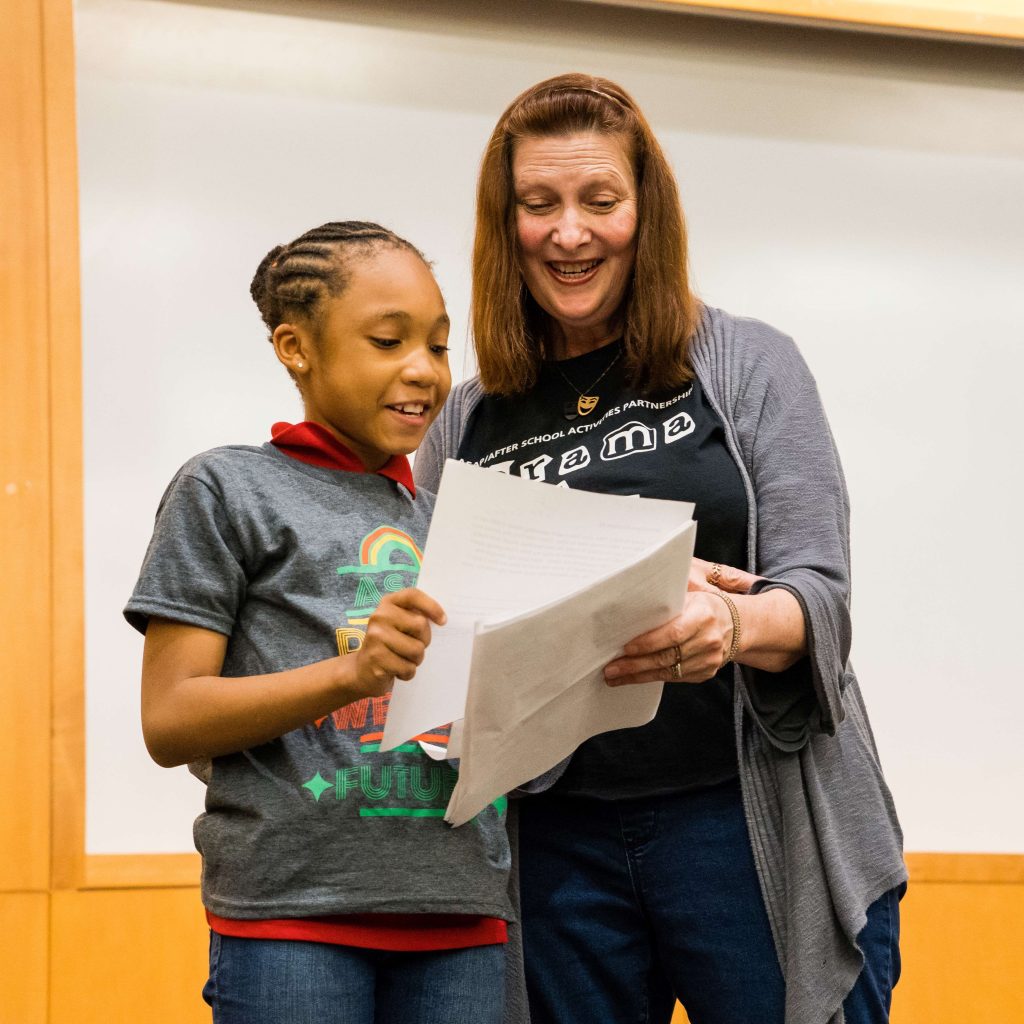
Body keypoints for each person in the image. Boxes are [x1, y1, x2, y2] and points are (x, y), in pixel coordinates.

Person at [414, 75, 906, 1024]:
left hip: (745, 821)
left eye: (599, 200)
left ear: (647, 213)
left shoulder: (749, 363)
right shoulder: (464, 418)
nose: (569, 233)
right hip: (557, 849)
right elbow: (439, 639)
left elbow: (821, 596)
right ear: (505, 224)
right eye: (538, 203)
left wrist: (730, 622)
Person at [124, 222, 512, 1024]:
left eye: (439, 346)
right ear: (295, 347)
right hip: (292, 919)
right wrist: (352, 673)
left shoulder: (453, 522)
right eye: (388, 341)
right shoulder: (226, 489)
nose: (423, 369)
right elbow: (170, 719)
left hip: (464, 912)